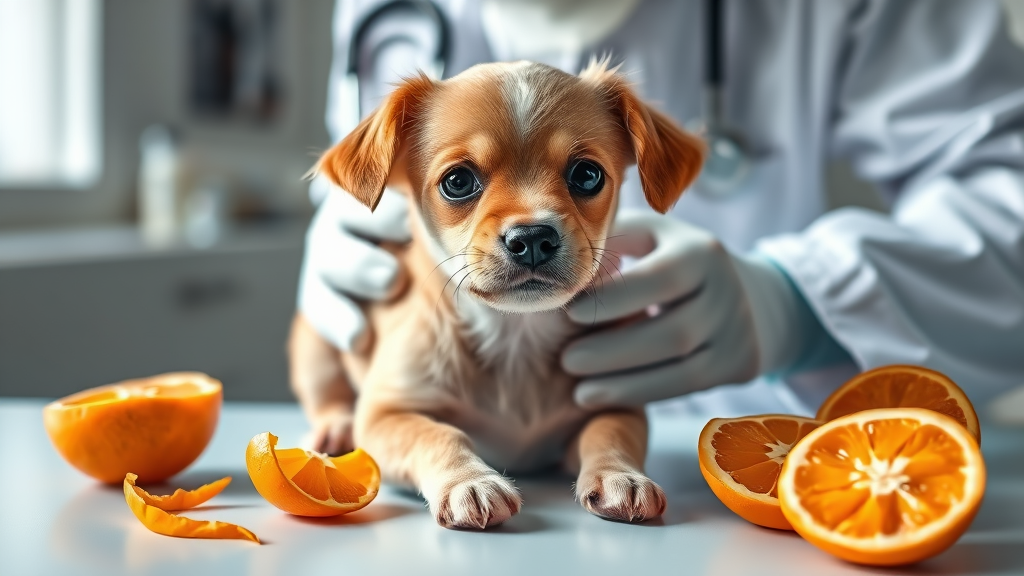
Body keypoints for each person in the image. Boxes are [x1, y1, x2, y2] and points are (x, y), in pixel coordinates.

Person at [298, 0, 1024, 420]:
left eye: (585, 174)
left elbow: (1004, 182)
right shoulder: (384, 13)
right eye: (464, 181)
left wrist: (799, 302)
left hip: (763, 444)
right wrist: (340, 225)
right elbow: (366, 165)